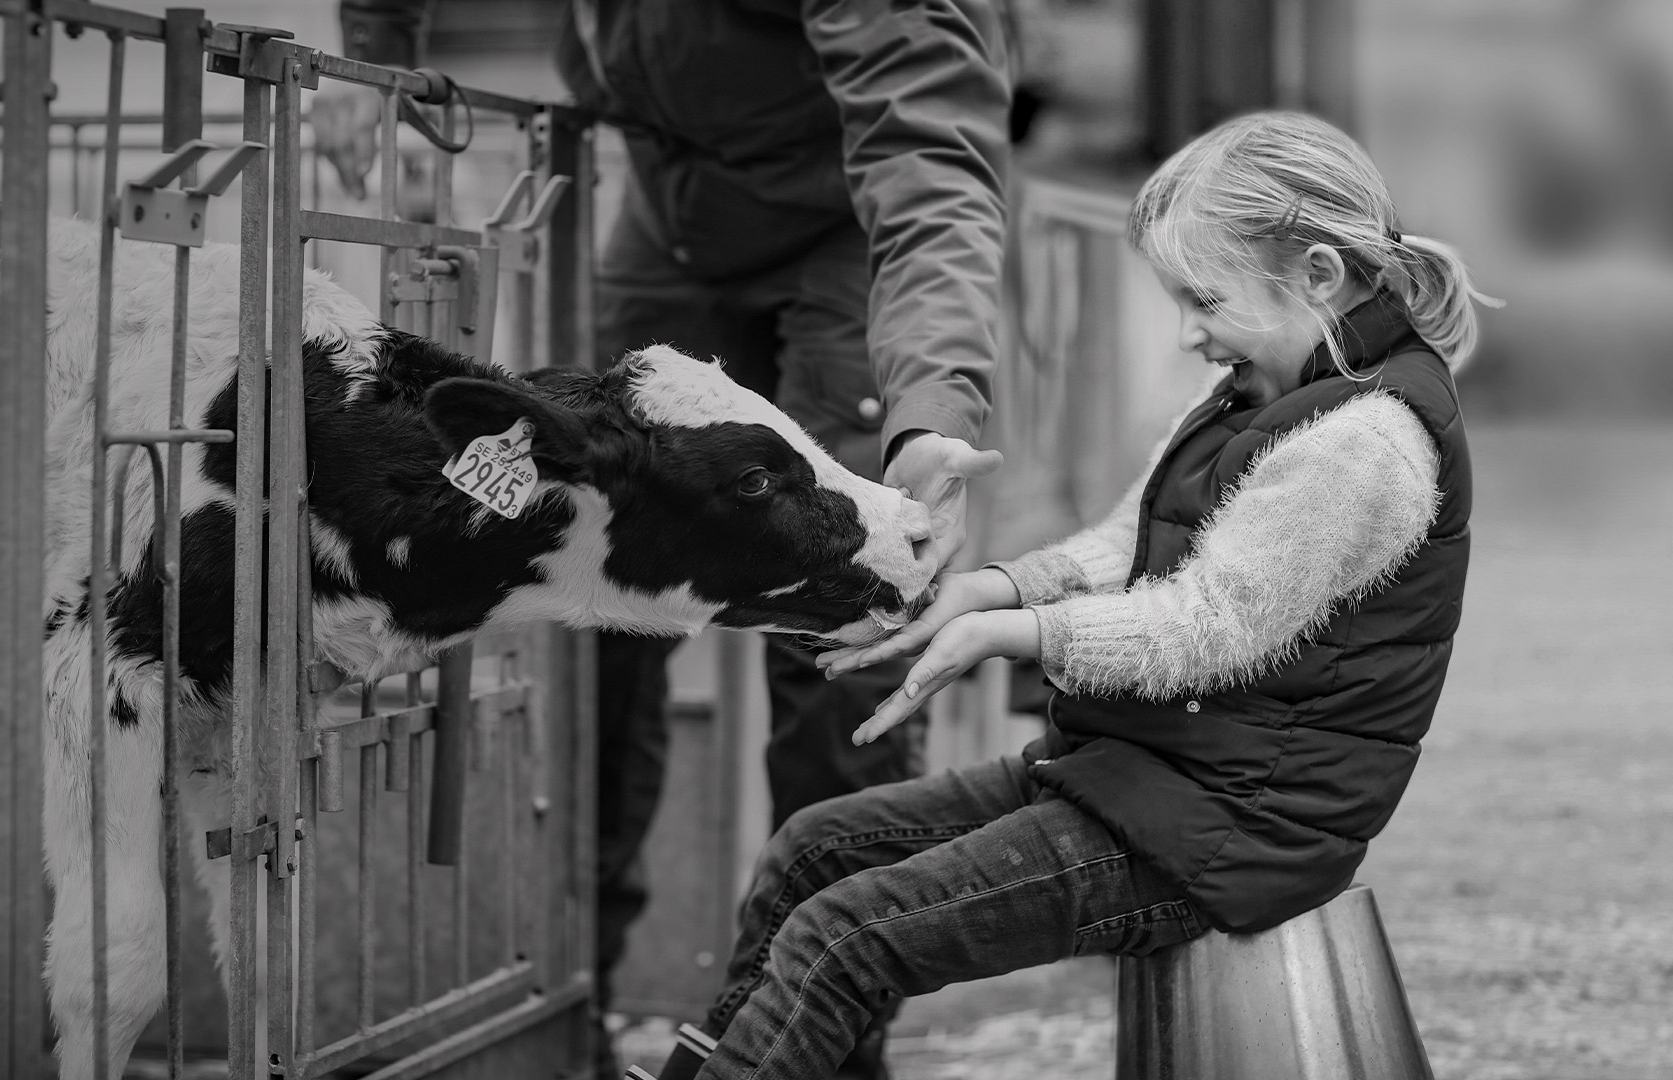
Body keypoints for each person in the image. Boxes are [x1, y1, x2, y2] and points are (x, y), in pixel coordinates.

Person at [630, 109, 1500, 1080]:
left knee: (849, 935)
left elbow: (1208, 627)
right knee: (816, 849)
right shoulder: (1267, 385)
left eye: (1203, 299)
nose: (1188, 332)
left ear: (1319, 278)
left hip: (1231, 830)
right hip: (1141, 775)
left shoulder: (1362, 445)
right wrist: (993, 588)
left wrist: (1019, 632)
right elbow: (1127, 540)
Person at [320, 4, 1022, 1078]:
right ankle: (581, 996)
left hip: (848, 224)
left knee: (842, 605)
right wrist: (370, 54)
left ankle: (819, 1034)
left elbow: (930, 161)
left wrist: (928, 412)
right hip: (672, 207)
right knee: (585, 551)